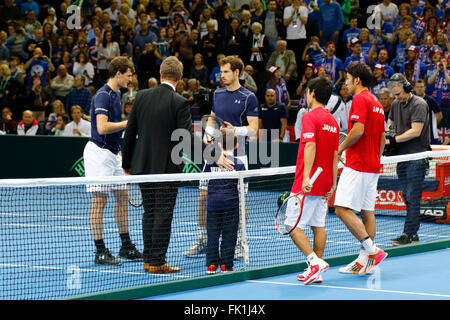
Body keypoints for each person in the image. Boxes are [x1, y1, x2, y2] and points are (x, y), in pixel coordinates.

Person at [184, 55, 259, 258]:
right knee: (203, 197)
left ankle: (237, 242)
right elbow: (211, 121)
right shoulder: (216, 94)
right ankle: (203, 237)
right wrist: (208, 135)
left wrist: (236, 130)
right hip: (214, 154)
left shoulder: (248, 97)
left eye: (226, 71)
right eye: (221, 71)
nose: (222, 75)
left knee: (239, 201)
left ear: (237, 73)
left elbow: (254, 129)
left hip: (238, 155)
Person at [83, 56, 142, 266]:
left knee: (122, 197)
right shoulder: (103, 95)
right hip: (98, 154)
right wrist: (127, 123)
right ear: (118, 73)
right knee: (100, 201)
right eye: (128, 75)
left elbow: (107, 125)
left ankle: (126, 246)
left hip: (113, 153)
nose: (130, 79)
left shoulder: (117, 93)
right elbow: (101, 128)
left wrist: (119, 154)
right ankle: (100, 250)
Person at [334, 62, 388, 275]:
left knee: (340, 209)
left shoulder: (359, 99)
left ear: (357, 80)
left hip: (358, 165)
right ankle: (365, 262)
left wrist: (340, 149)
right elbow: (382, 137)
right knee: (367, 212)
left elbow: (357, 130)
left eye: (347, 78)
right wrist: (375, 156)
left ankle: (372, 250)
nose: (345, 82)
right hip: (373, 164)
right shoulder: (377, 101)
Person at [288, 76, 339, 285]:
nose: (306, 96)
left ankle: (314, 262)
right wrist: (333, 183)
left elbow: (310, 146)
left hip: (307, 182)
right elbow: (335, 154)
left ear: (313, 93)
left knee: (292, 225)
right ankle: (315, 271)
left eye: (307, 92)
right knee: (318, 225)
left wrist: (307, 177)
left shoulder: (310, 116)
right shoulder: (333, 121)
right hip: (326, 181)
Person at [386, 73, 431, 246]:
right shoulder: (396, 104)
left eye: (398, 94)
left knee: (412, 195)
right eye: (394, 95)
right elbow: (391, 126)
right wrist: (387, 140)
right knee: (407, 195)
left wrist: (392, 140)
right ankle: (413, 232)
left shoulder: (420, 104)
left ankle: (408, 234)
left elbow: (415, 131)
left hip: (417, 157)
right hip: (402, 157)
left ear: (407, 88)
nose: (396, 98)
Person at [204, 131, 246, 274]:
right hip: (231, 205)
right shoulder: (239, 164)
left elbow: (203, 183)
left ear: (219, 144)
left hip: (213, 205)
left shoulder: (210, 161)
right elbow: (242, 188)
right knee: (229, 236)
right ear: (236, 145)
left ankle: (211, 265)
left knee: (212, 235)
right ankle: (226, 265)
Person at [413, 79, 442, 145]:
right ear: (414, 88)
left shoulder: (430, 100)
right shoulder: (412, 101)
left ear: (424, 88)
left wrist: (432, 126)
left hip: (431, 134)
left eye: (421, 87)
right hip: (417, 134)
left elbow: (439, 116)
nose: (419, 89)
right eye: (417, 87)